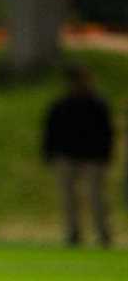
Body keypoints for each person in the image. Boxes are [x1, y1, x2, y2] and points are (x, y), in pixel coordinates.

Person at [42, 65, 114, 247]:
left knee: (96, 196)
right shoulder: (61, 105)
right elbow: (51, 131)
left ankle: (103, 233)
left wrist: (105, 154)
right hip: (67, 155)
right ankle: (73, 233)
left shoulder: (97, 105)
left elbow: (107, 132)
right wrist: (50, 153)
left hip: (93, 156)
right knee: (68, 198)